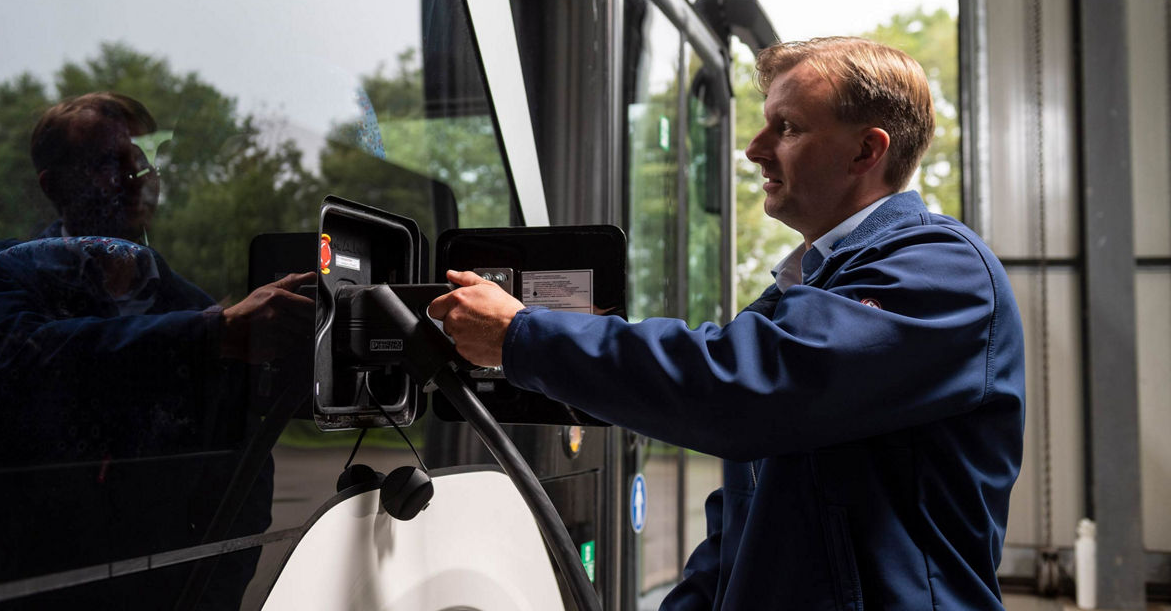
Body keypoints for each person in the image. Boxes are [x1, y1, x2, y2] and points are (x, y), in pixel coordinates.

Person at [429, 37, 1025, 610]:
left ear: (867, 151)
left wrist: (522, 336)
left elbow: (742, 387)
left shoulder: (941, 270)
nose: (754, 148)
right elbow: (746, 522)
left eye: (788, 127)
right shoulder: (807, 287)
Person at [0, 92, 316, 608]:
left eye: (145, 159)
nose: (137, 176)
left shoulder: (196, 308)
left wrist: (206, 600)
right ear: (54, 185)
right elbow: (12, 363)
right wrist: (208, 337)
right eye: (109, 162)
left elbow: (241, 489)